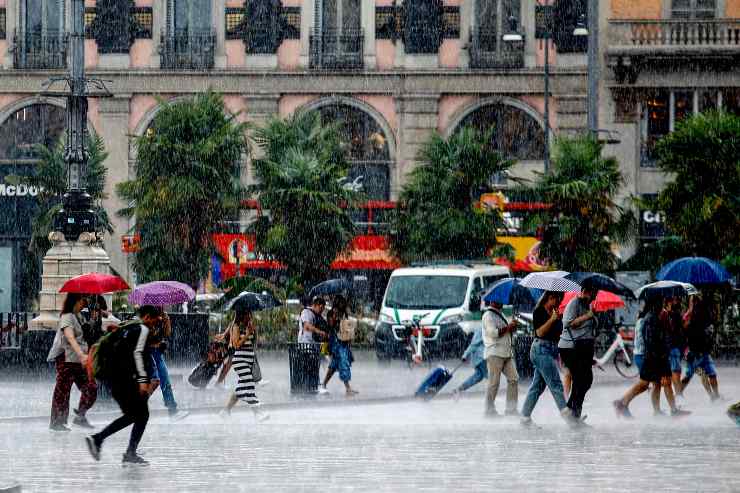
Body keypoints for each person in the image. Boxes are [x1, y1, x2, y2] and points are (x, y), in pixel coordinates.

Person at [85, 305, 162, 466]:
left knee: (136, 414)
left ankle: (103, 441)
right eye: (154, 321)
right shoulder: (141, 329)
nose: (155, 324)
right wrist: (142, 381)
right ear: (147, 317)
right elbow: (138, 354)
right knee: (140, 414)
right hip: (124, 379)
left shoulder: (128, 326)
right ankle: (113, 445)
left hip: (113, 378)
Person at [613, 295, 690, 419]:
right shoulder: (651, 319)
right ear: (656, 304)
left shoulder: (651, 317)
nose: (664, 305)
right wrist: (660, 358)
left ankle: (629, 404)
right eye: (662, 302)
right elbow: (653, 342)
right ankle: (622, 402)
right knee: (648, 383)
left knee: (654, 384)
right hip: (650, 357)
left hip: (649, 356)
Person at [521, 291, 579, 427]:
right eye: (558, 300)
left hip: (551, 351)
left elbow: (559, 334)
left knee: (537, 387)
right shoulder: (539, 311)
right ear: (550, 297)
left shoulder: (556, 312)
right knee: (556, 384)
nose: (559, 303)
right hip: (540, 350)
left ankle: (524, 417)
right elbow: (539, 333)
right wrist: (552, 319)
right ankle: (568, 417)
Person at [48, 293, 98, 431]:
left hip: (79, 361)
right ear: (75, 301)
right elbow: (70, 337)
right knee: (63, 390)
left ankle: (80, 416)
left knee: (91, 388)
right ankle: (57, 422)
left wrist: (92, 321)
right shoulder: (67, 316)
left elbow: (83, 336)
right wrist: (81, 354)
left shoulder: (79, 316)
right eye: (83, 299)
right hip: (66, 358)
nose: (85, 302)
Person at [220, 310, 269, 421]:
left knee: (241, 387)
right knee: (249, 385)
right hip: (240, 360)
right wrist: (247, 334)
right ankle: (258, 412)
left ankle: (225, 411)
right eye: (247, 314)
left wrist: (253, 331)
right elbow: (236, 345)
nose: (250, 316)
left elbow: (254, 343)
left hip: (249, 360)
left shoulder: (249, 325)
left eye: (250, 314)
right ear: (241, 315)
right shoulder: (236, 327)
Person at [558, 285, 597, 420]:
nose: (592, 297)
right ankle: (571, 411)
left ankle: (574, 412)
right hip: (570, 347)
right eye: (591, 294)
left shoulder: (588, 305)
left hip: (583, 348)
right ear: (584, 292)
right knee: (581, 379)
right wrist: (588, 316)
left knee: (587, 380)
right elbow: (568, 323)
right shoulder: (574, 303)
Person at [147, 312, 189, 421]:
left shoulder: (162, 315)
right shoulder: (148, 316)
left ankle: (172, 410)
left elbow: (167, 334)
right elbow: (149, 337)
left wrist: (167, 322)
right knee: (155, 381)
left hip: (157, 353)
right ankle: (138, 407)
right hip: (149, 353)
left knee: (164, 380)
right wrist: (155, 322)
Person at [679, 295, 721, 401]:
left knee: (711, 374)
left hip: (703, 351)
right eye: (693, 301)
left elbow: (710, 324)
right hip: (693, 353)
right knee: (693, 375)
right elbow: (683, 332)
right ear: (690, 303)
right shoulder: (688, 316)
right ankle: (678, 394)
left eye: (696, 300)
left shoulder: (703, 313)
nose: (695, 303)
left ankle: (715, 396)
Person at [482, 300, 519, 417]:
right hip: (494, 352)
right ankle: (489, 410)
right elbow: (493, 333)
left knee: (514, 379)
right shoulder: (488, 315)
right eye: (498, 300)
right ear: (492, 301)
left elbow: (506, 331)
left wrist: (512, 327)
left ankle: (511, 409)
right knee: (494, 383)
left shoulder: (501, 313)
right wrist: (508, 327)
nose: (501, 302)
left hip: (506, 352)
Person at [321, 295, 358, 396]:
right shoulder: (331, 313)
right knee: (343, 363)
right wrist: (335, 318)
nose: (343, 305)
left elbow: (346, 327)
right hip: (335, 342)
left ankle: (324, 384)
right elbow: (331, 327)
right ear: (337, 303)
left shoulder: (344, 313)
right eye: (341, 303)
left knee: (334, 366)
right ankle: (348, 388)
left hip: (343, 342)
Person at [632, 309, 663, 415]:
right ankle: (623, 402)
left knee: (656, 383)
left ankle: (657, 410)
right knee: (646, 384)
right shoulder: (643, 322)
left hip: (640, 355)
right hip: (642, 355)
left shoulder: (640, 321)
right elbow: (643, 339)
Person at [661, 297, 686, 398]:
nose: (676, 301)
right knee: (675, 372)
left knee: (675, 372)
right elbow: (676, 330)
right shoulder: (670, 315)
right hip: (673, 347)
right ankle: (679, 396)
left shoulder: (671, 314)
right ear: (668, 303)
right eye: (673, 300)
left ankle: (677, 396)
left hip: (673, 347)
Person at [452, 326, 487, 399]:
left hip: (482, 357)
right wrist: (465, 355)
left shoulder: (487, 328)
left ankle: (459, 389)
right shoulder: (481, 330)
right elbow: (473, 344)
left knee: (478, 377)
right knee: (492, 377)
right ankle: (491, 398)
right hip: (481, 357)